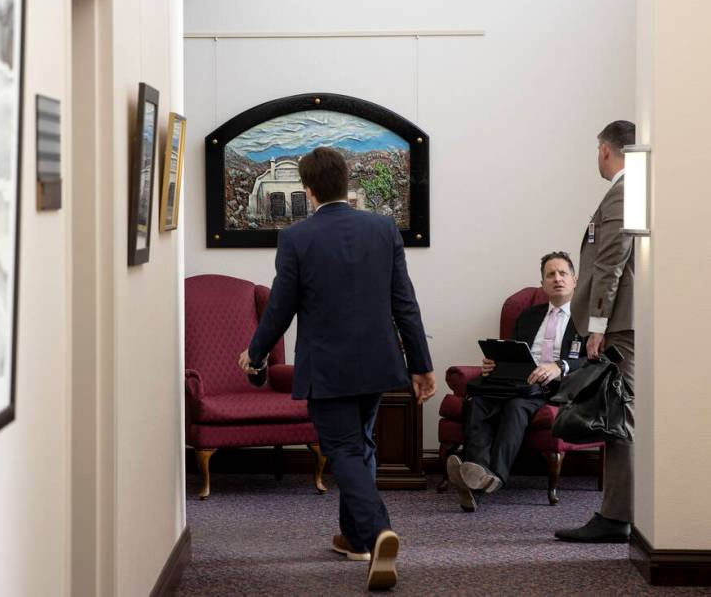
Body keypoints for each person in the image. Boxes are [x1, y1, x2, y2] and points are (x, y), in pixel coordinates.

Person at [237, 147, 436, 591]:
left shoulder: (296, 238)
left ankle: (377, 531)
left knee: (345, 450)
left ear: (308, 191)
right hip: (379, 363)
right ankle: (353, 537)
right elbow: (405, 303)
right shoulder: (383, 229)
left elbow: (279, 310)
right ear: (345, 182)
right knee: (361, 444)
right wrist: (421, 364)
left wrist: (254, 352)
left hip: (328, 368)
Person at [446, 252, 587, 512]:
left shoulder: (587, 318)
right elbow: (513, 349)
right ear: (543, 283)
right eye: (550, 275)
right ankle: (476, 472)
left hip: (553, 385)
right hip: (516, 380)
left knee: (516, 406)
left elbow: (594, 361)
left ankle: (494, 476)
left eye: (562, 273)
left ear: (574, 279)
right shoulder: (529, 315)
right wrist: (495, 363)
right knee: (477, 401)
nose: (557, 279)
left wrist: (559, 366)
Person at [555, 120, 637, 543]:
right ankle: (617, 512)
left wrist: (599, 325)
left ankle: (617, 516)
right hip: (620, 322)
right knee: (619, 415)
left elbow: (612, 261)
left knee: (620, 417)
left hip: (620, 324)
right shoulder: (631, 188)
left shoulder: (625, 190)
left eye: (597, 150)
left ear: (606, 149)